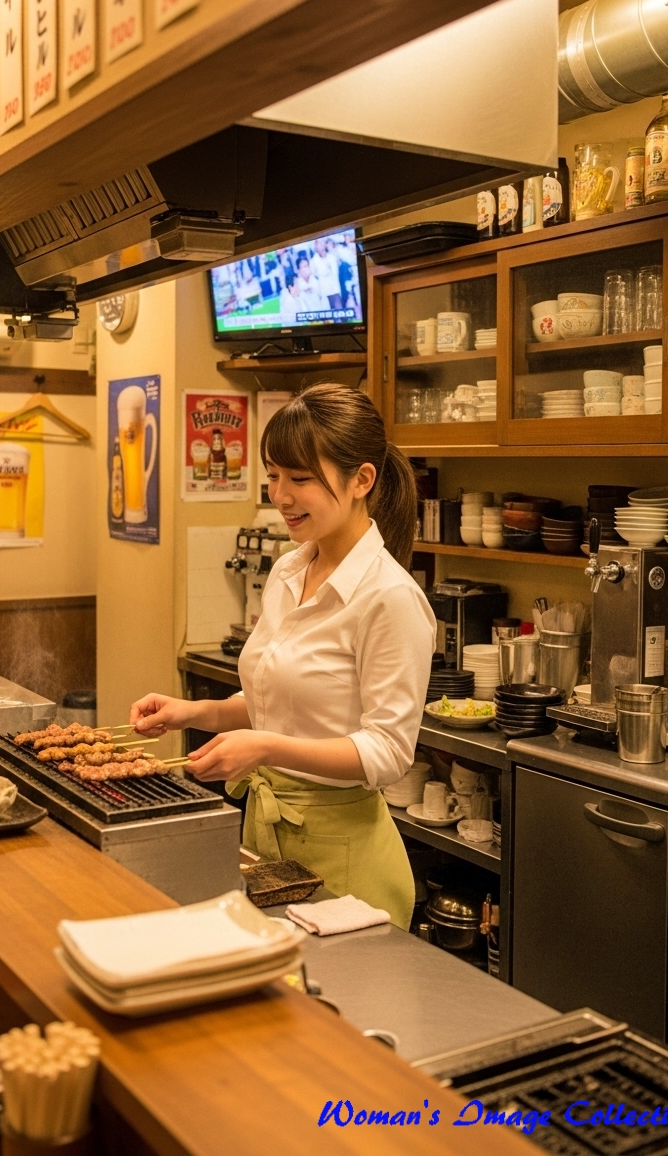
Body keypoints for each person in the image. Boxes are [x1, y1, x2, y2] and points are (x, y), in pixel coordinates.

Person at [130, 384, 436, 929]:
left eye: (300, 479)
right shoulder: (289, 571)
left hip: (346, 862)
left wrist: (266, 748)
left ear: (362, 479)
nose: (281, 495)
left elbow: (389, 752)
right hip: (267, 840)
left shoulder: (389, 596)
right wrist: (193, 713)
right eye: (273, 475)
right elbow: (276, 699)